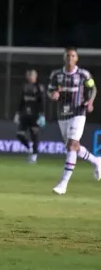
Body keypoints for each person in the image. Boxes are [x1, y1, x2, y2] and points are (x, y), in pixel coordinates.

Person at [47, 47, 101, 195]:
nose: (70, 58)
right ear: (64, 58)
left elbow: (93, 88)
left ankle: (63, 184)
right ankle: (96, 161)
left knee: (71, 145)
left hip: (78, 112)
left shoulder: (83, 74)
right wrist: (53, 94)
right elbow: (50, 90)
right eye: (68, 56)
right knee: (73, 146)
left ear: (76, 59)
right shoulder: (56, 75)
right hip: (62, 114)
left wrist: (90, 101)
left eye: (73, 56)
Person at [13, 69, 46, 163]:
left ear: (35, 76)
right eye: (28, 75)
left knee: (34, 134)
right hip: (24, 114)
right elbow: (21, 101)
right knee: (19, 134)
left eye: (31, 75)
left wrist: (42, 114)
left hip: (35, 115)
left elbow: (42, 102)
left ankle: (34, 155)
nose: (29, 77)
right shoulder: (24, 86)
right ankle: (30, 147)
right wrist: (17, 113)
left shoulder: (39, 87)